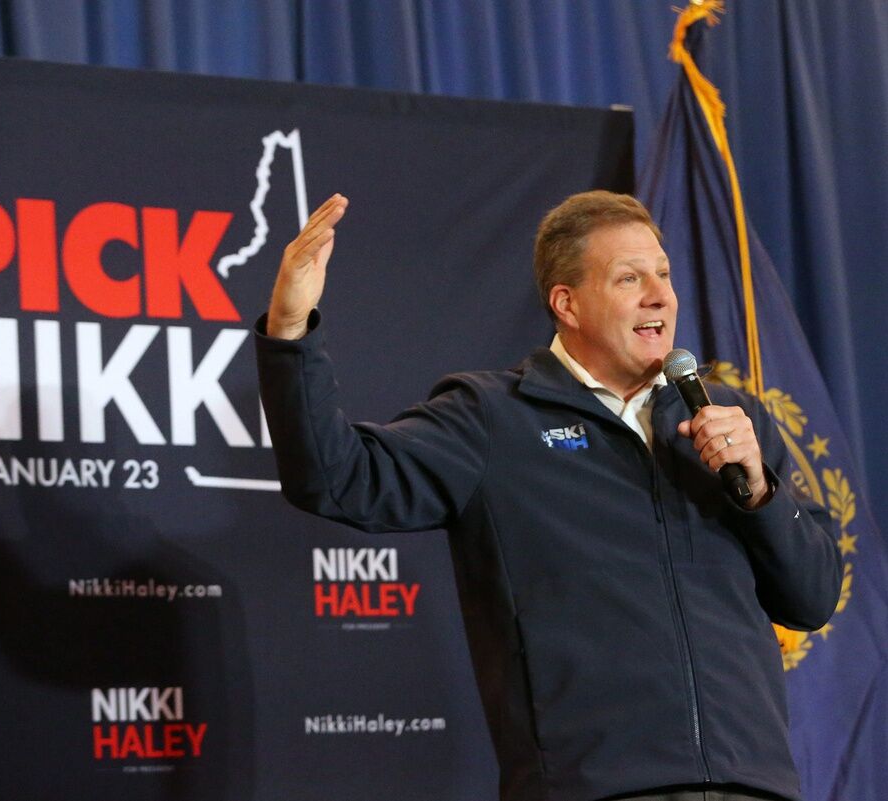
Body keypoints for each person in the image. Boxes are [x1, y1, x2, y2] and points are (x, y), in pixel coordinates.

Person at [255, 191, 842, 801]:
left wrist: (758, 490)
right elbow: (337, 477)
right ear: (568, 303)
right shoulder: (494, 417)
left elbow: (813, 598)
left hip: (752, 786)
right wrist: (290, 331)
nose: (660, 295)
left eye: (663, 275)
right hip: (594, 787)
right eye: (629, 278)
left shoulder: (729, 421)